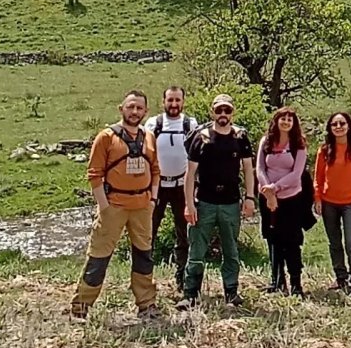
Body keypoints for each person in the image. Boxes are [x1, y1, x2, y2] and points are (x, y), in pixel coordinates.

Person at [71, 90, 161, 320]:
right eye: (131, 107)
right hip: (114, 205)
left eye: (139, 108)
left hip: (142, 206)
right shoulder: (106, 137)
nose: (135, 112)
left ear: (146, 111)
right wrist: (104, 206)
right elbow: (94, 174)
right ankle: (81, 306)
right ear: (121, 108)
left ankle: (147, 304)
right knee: (99, 256)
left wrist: (152, 200)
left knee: (144, 255)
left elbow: (155, 171)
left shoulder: (149, 137)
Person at [178, 94, 255, 309]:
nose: (223, 115)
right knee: (197, 250)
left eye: (227, 110)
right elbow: (190, 173)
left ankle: (231, 292)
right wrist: (189, 203)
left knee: (231, 250)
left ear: (233, 112)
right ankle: (190, 294)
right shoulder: (201, 137)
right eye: (219, 110)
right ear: (212, 112)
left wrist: (249, 197)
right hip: (204, 202)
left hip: (231, 202)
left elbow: (248, 168)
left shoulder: (240, 136)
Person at [144, 86, 197, 290]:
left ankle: (181, 278)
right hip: (157, 186)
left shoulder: (190, 124)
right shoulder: (153, 124)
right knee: (148, 233)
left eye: (177, 100)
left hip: (182, 186)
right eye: (170, 100)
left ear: (183, 102)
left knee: (184, 234)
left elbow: (197, 157)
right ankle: (144, 278)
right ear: (163, 101)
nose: (174, 104)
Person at [256, 106, 313, 296]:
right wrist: (269, 193)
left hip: (291, 199)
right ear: (276, 121)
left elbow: (297, 175)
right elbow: (260, 169)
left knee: (292, 241)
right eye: (283, 118)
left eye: (290, 119)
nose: (286, 122)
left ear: (294, 123)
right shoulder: (266, 142)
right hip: (268, 199)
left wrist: (275, 188)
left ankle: (296, 283)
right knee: (273, 239)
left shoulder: (298, 144)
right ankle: (277, 281)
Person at [314, 112, 351, 297]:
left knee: (350, 242)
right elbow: (318, 177)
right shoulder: (324, 150)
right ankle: (341, 277)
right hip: (329, 202)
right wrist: (317, 198)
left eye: (342, 123)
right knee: (334, 243)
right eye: (334, 124)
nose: (338, 127)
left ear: (349, 126)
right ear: (330, 128)